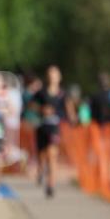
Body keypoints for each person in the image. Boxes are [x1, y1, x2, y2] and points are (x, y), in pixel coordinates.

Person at [33, 66, 74, 198]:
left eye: (55, 75)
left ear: (59, 77)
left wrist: (72, 118)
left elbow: (70, 109)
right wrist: (42, 109)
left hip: (55, 128)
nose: (53, 77)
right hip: (42, 127)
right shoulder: (41, 93)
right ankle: (40, 171)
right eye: (50, 75)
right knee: (42, 156)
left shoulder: (63, 94)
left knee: (52, 154)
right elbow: (31, 105)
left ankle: (51, 185)